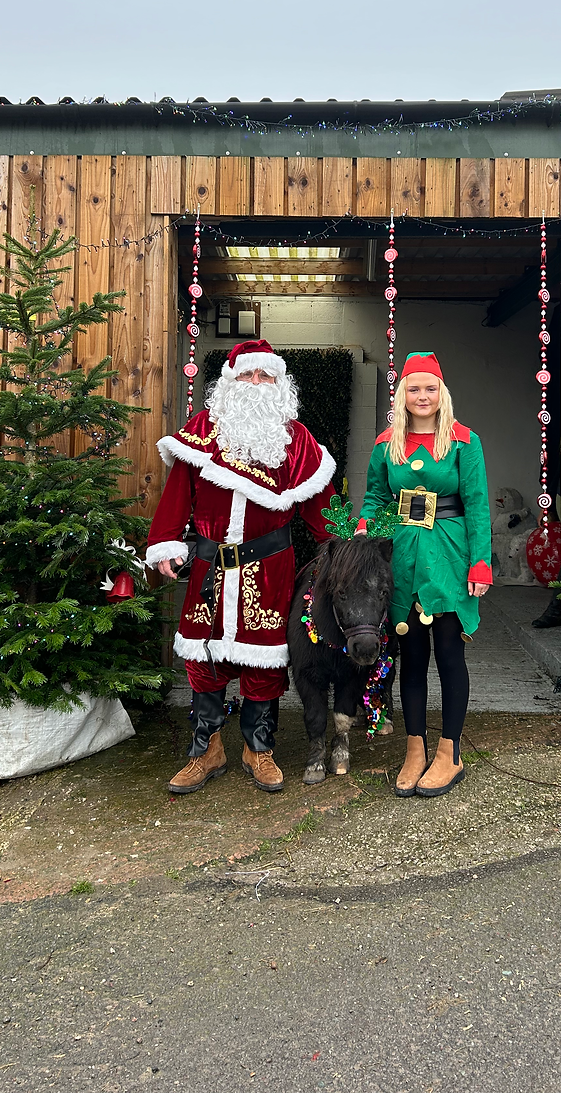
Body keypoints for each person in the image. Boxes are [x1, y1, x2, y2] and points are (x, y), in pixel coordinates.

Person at [146, 339, 335, 794]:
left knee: (265, 661)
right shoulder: (202, 431)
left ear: (279, 383)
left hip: (270, 567)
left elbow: (322, 511)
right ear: (230, 382)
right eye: (247, 375)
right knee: (203, 657)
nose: (256, 384)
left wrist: (348, 544)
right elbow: (178, 495)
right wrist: (166, 542)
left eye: (265, 376)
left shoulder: (299, 442)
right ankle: (205, 751)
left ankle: (258, 747)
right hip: (211, 564)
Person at [356, 352, 491, 797]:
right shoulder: (384, 445)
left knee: (450, 654)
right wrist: (362, 530)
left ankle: (449, 754)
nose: (422, 396)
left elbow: (477, 504)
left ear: (442, 393)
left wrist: (481, 562)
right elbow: (375, 497)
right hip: (402, 556)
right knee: (411, 656)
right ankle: (415, 748)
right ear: (402, 395)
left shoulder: (464, 442)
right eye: (414, 389)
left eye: (429, 388)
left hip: (450, 556)